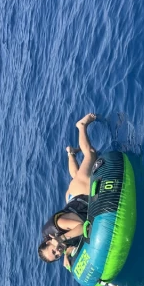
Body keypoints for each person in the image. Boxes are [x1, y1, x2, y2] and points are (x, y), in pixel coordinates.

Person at [38, 113, 98, 270]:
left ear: (48, 241)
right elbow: (71, 242)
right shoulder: (60, 242)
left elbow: (82, 225)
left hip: (81, 193)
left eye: (53, 250)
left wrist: (63, 239)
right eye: (56, 256)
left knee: (90, 153)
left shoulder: (59, 226)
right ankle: (71, 153)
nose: (57, 252)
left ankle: (81, 126)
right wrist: (66, 254)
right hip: (71, 199)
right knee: (76, 175)